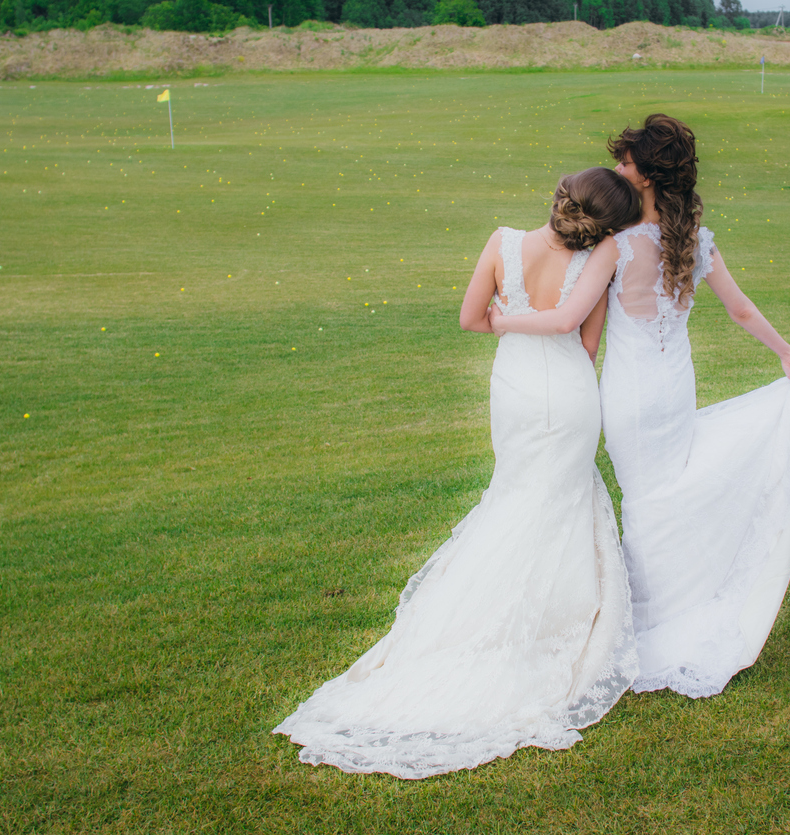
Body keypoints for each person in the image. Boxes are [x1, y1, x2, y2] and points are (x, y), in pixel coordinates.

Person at [274, 167, 644, 778]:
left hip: (514, 388)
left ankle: (488, 621)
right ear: (608, 224)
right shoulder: (603, 253)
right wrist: (533, 331)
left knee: (516, 496)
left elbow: (472, 319)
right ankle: (549, 621)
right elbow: (581, 339)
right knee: (557, 501)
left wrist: (505, 321)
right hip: (569, 391)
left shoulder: (502, 241)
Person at [490, 115, 790, 699]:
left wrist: (502, 323)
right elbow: (741, 309)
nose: (618, 168)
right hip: (676, 386)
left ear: (645, 176)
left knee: (645, 502)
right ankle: (675, 604)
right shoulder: (695, 240)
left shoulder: (615, 246)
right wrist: (786, 353)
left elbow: (569, 321)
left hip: (632, 394)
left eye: (625, 162)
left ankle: (650, 626)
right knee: (664, 493)